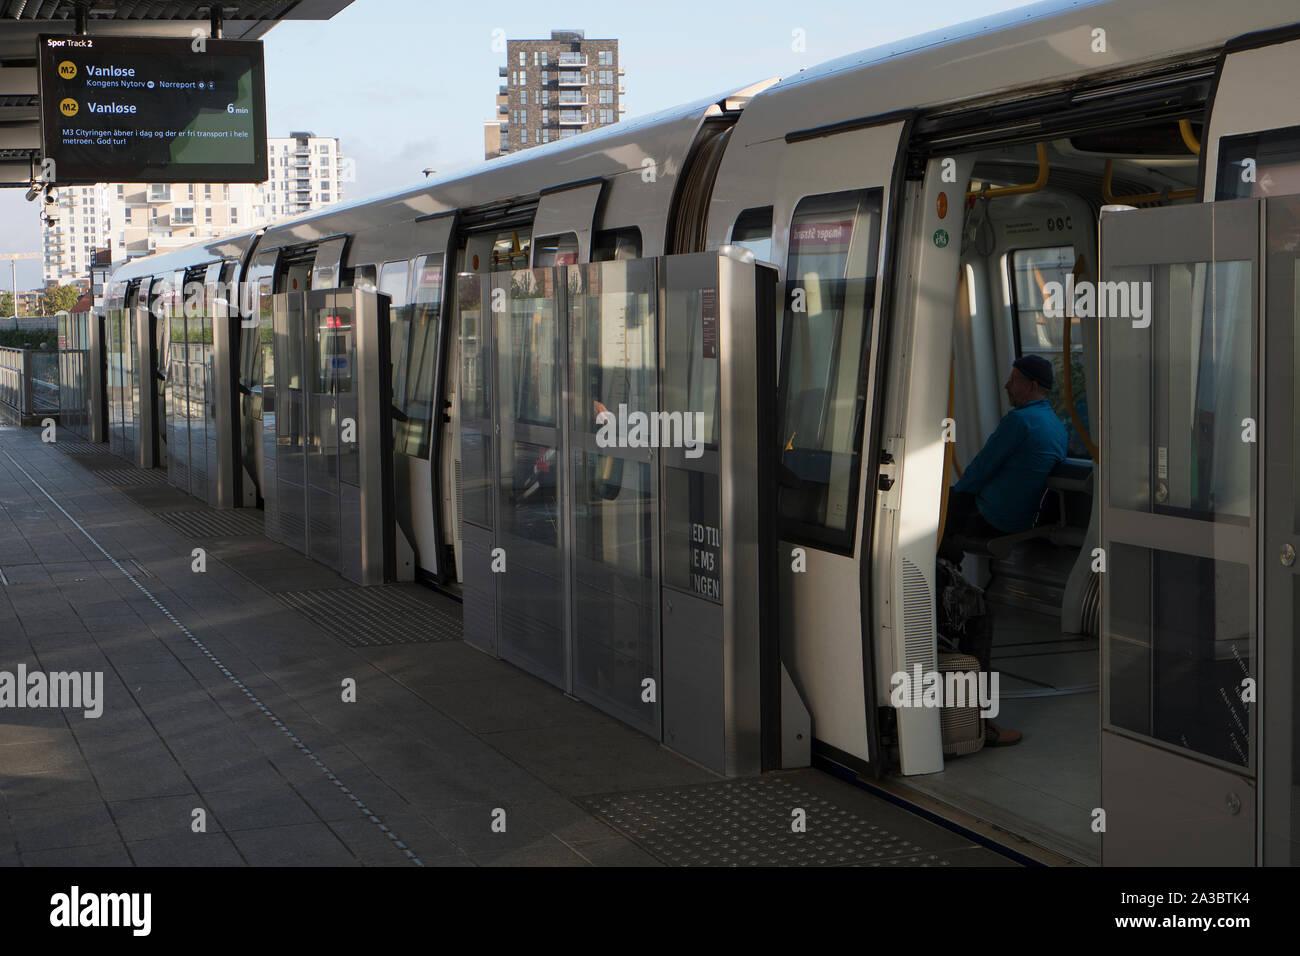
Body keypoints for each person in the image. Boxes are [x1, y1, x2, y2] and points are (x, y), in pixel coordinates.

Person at [939, 353, 1068, 747]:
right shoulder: (1055, 426)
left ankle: (941, 582)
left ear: (1031, 386)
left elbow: (979, 470)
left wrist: (952, 501)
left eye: (1013, 381)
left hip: (987, 516)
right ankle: (946, 572)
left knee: (936, 514)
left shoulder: (1018, 421)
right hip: (1016, 518)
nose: (1006, 386)